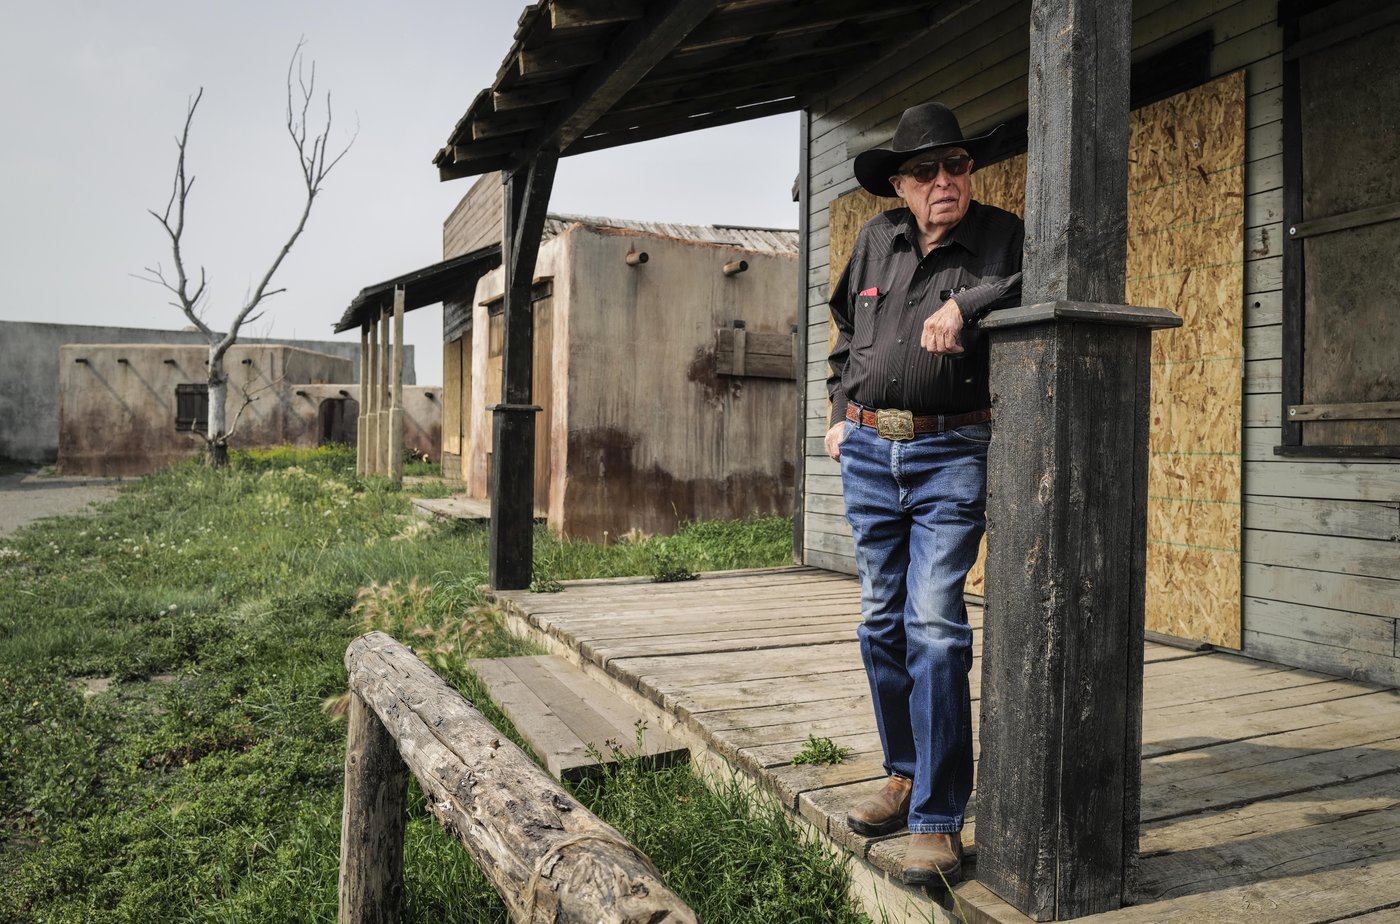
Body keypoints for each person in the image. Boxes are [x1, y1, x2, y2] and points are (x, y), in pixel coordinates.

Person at [826, 101, 1023, 885]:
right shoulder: (875, 240)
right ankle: (904, 774)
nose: (945, 180)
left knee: (934, 624)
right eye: (927, 170)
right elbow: (844, 331)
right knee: (881, 620)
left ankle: (938, 818)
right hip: (870, 450)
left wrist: (965, 304)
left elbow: (1039, 276)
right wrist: (841, 415)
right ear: (901, 185)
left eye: (957, 165)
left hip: (951, 450)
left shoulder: (1002, 234)